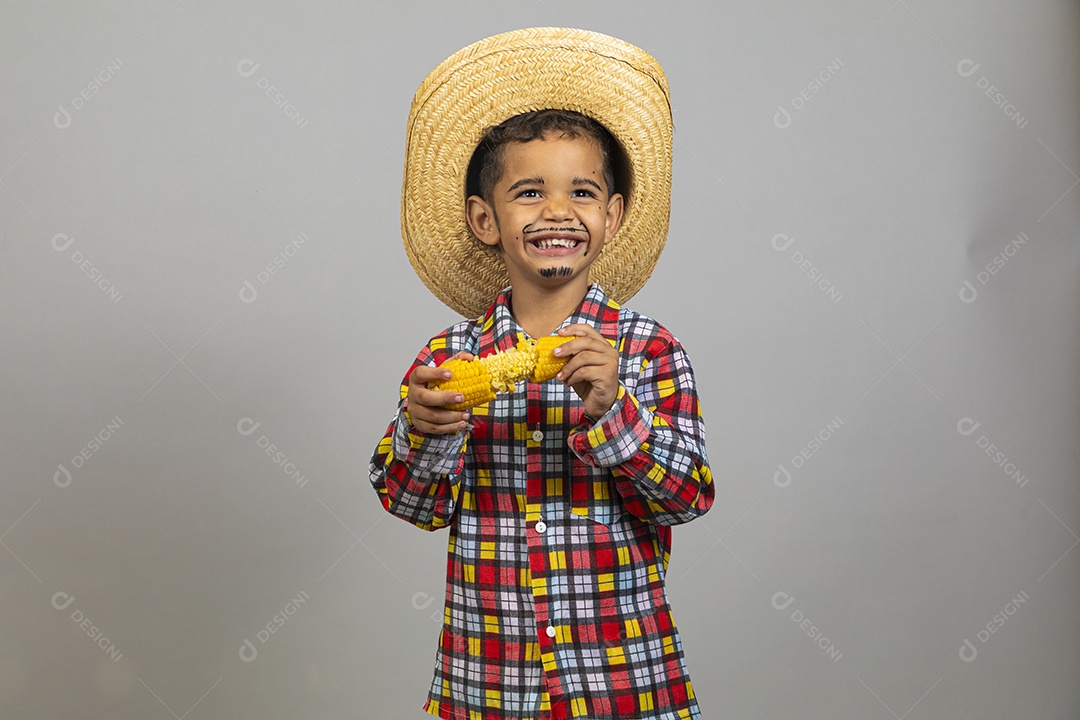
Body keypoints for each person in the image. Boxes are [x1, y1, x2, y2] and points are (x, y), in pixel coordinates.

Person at [369, 27, 715, 720]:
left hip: (625, 682)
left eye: (582, 192)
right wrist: (426, 430)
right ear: (485, 219)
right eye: (529, 192)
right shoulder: (448, 360)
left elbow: (686, 498)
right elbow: (410, 504)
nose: (558, 211)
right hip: (487, 683)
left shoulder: (648, 351)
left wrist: (613, 410)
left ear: (612, 216)